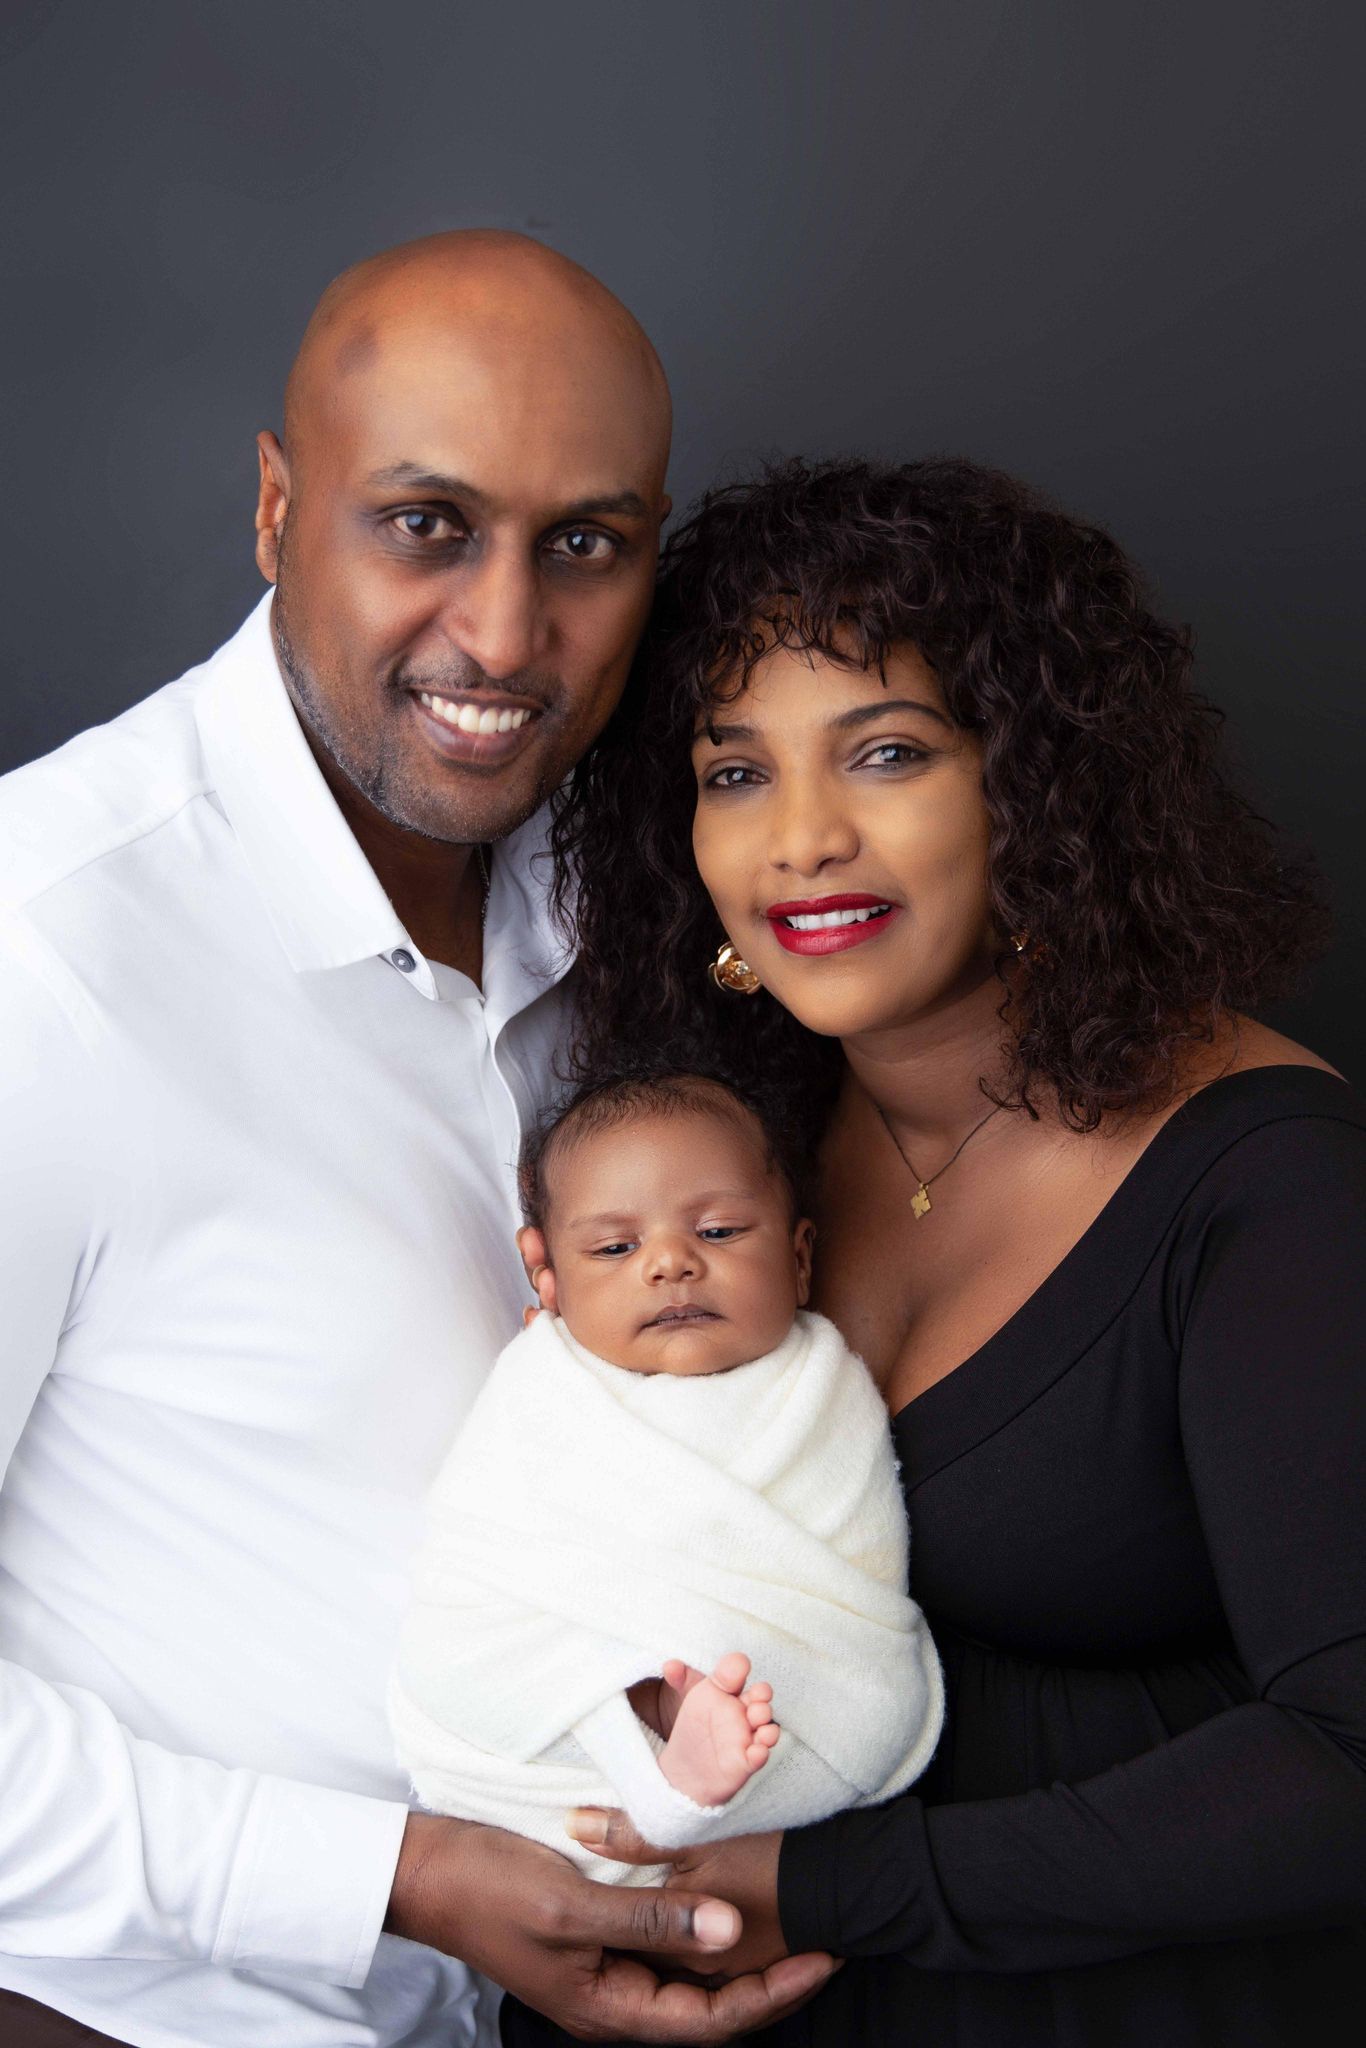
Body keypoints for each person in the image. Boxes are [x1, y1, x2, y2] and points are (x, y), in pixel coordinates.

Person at [0, 237, 836, 2048]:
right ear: (276, 509)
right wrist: (395, 1871)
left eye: (586, 546)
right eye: (426, 525)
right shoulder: (38, 948)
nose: (506, 637)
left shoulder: (645, 900)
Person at [505, 456, 1366, 2046]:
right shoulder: (718, 1157)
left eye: (885, 752)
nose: (802, 840)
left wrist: (827, 1891)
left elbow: (1347, 1759)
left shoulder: (1266, 1179)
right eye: (735, 771)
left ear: (1036, 789)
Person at [388, 1071, 941, 1881]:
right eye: (615, 1248)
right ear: (550, 1279)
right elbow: (481, 1559)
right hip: (566, 1716)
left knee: (861, 1711)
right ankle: (658, 1727)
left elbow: (851, 1595)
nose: (671, 1263)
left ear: (798, 1257)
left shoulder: (820, 1392)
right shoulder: (543, 1388)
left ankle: (693, 1755)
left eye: (718, 1232)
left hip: (771, 1706)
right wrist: (635, 1680)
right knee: (465, 1666)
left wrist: (722, 1654)